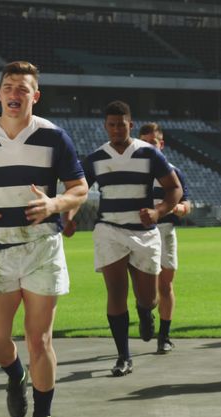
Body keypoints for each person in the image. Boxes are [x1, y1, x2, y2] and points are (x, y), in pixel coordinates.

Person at [0, 61, 88, 417]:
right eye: (9, 87)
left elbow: (80, 188)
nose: (15, 94)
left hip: (42, 247)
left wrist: (54, 205)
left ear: (35, 96)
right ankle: (16, 375)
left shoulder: (54, 137)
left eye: (23, 88)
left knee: (38, 338)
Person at [72, 101, 182, 377]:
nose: (117, 129)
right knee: (115, 292)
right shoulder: (96, 158)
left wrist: (158, 211)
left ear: (130, 125)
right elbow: (77, 190)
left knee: (147, 297)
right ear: (105, 126)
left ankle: (146, 312)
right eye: (111, 124)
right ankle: (123, 356)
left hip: (144, 233)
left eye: (122, 124)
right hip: (109, 230)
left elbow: (174, 188)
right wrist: (68, 216)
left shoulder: (148, 154)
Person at [137, 122, 192, 354]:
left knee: (166, 284)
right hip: (139, 233)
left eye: (153, 143)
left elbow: (188, 203)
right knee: (144, 287)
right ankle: (145, 311)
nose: (149, 147)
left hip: (166, 230)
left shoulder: (173, 172)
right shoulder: (134, 173)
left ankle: (164, 335)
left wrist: (181, 209)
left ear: (162, 145)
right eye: (145, 143)